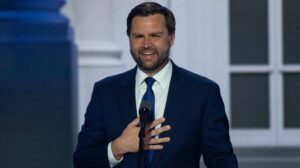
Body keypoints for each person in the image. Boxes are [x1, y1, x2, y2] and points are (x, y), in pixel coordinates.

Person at [73, 2, 238, 168]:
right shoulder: (105, 91)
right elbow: (82, 160)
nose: (146, 44)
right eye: (138, 36)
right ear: (129, 39)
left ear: (171, 38)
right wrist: (118, 147)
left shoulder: (203, 92)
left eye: (155, 35)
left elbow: (221, 159)